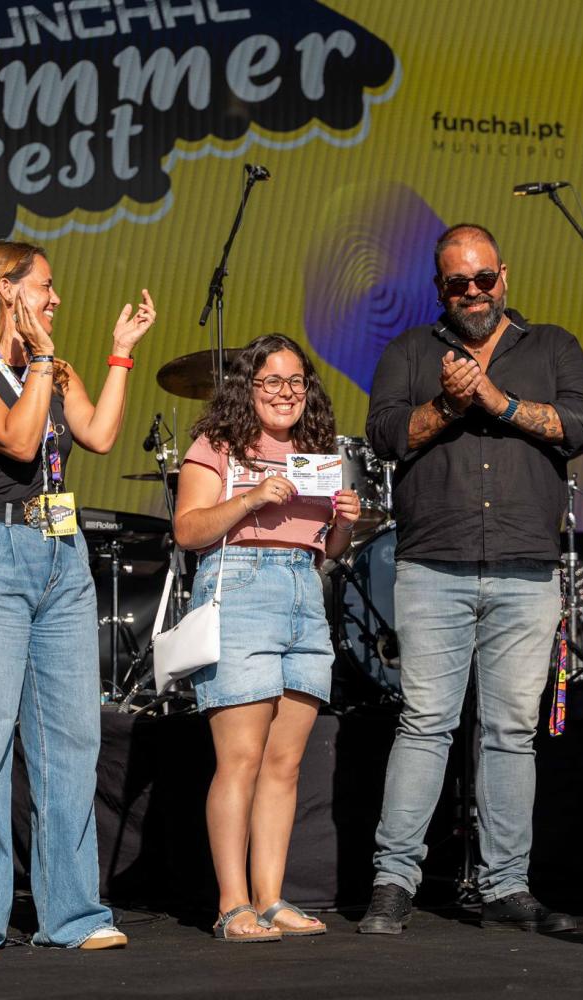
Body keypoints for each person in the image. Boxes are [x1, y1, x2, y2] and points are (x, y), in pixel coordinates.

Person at [359, 223, 583, 935]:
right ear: (440, 289)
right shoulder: (410, 352)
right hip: (433, 563)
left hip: (527, 567)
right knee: (426, 723)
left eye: (483, 279)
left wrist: (495, 402)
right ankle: (392, 881)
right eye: (457, 283)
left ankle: (507, 884)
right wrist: (446, 405)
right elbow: (384, 435)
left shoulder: (551, 346)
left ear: (505, 276)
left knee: (509, 732)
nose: (472, 293)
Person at [0, 239, 156, 953]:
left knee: (71, 740)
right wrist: (41, 362)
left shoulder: (53, 368)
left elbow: (96, 433)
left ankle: (74, 914)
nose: (56, 297)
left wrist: (119, 355)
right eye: (45, 286)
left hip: (61, 553)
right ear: (6, 288)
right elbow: (20, 443)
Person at [173, 334, 362, 942]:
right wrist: (250, 498)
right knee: (242, 759)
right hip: (242, 589)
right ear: (247, 388)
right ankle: (233, 905)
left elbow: (326, 553)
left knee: (285, 764)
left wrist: (344, 527)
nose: (287, 393)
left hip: (305, 594)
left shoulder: (318, 452)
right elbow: (187, 529)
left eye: (297, 382)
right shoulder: (219, 445)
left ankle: (272, 898)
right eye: (272, 382)